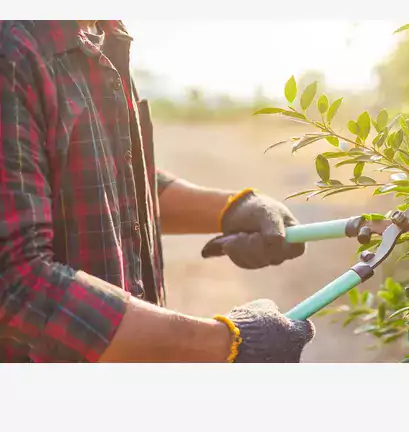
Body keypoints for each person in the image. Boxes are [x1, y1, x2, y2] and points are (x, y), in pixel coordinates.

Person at [0, 20, 315, 363]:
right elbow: (15, 281)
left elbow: (110, 177)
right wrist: (226, 343)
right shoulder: (13, 51)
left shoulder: (102, 34)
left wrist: (231, 209)